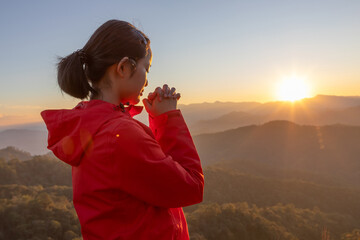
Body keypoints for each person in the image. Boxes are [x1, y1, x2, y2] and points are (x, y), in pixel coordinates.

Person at [40, 19, 204, 240]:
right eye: (147, 68)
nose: (147, 79)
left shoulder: (91, 127)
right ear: (124, 67)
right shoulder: (120, 135)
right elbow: (192, 187)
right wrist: (168, 118)